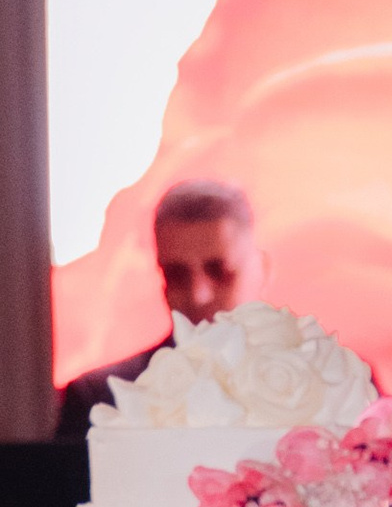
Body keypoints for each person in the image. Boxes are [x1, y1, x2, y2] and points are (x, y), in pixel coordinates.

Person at [52, 179, 265, 436]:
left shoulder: (319, 383)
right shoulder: (99, 398)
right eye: (176, 274)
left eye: (218, 271)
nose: (198, 294)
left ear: (262, 269)